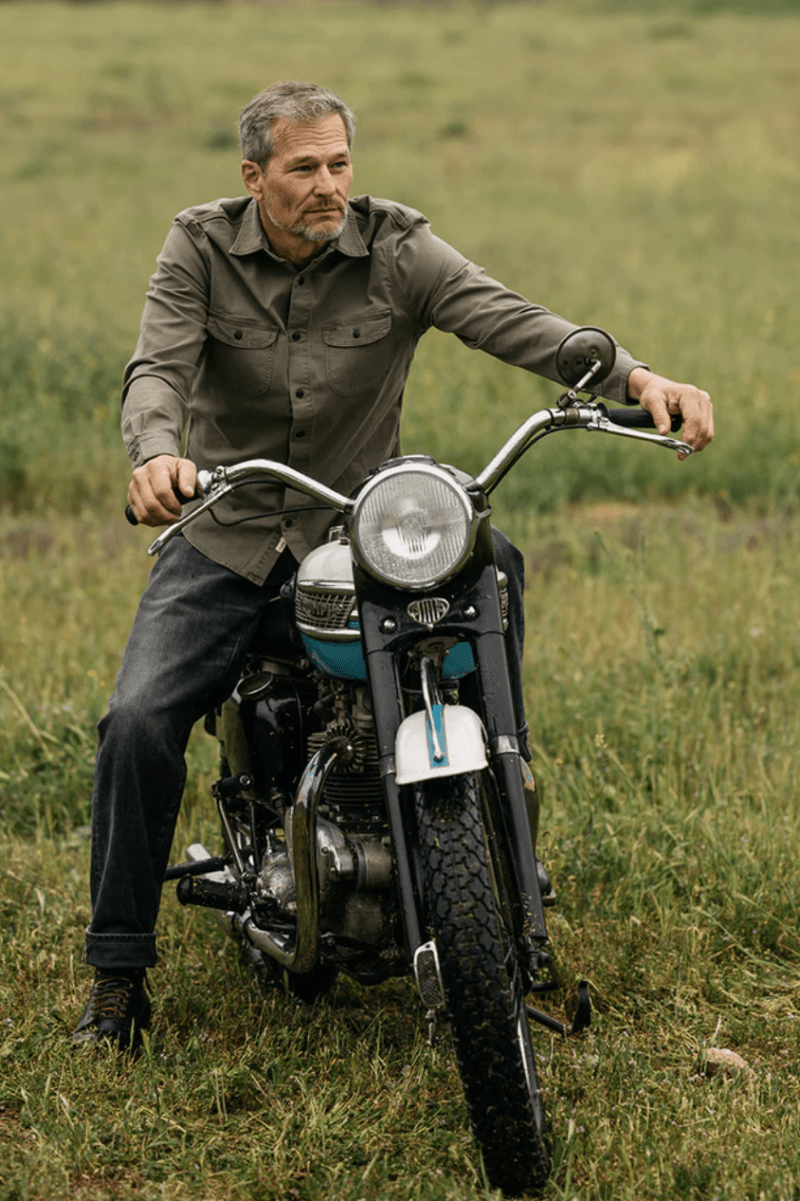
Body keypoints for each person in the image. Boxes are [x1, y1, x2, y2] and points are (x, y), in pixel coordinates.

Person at [72, 81, 713, 1050]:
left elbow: (511, 319)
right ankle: (117, 978)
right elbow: (156, 370)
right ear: (253, 177)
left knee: (490, 568)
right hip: (229, 529)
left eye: (338, 164)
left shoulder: (396, 247)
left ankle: (502, 831)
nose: (327, 185)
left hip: (358, 534)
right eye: (302, 168)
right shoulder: (198, 247)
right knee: (137, 718)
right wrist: (156, 453)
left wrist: (632, 376)